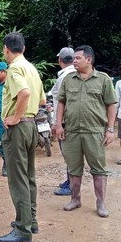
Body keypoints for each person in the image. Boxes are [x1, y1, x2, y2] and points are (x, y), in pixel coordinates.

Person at [55, 45, 117, 218]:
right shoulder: (69, 79)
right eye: (73, 58)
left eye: (78, 58)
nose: (74, 61)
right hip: (72, 131)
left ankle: (101, 203)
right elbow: (61, 102)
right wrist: (59, 125)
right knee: (74, 168)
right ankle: (75, 199)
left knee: (99, 169)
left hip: (94, 131)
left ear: (89, 60)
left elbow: (111, 104)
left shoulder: (103, 80)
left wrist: (110, 130)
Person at [0, 33, 46, 242]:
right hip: (31, 125)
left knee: (18, 180)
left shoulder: (15, 69)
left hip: (18, 128)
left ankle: (23, 229)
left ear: (6, 49)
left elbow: (24, 93)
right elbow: (42, 99)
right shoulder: (32, 69)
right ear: (24, 49)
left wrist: (15, 117)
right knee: (29, 176)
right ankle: (30, 220)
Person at [50, 47, 76, 196]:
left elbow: (59, 101)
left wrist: (56, 122)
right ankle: (69, 181)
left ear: (60, 60)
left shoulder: (64, 76)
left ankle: (71, 185)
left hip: (65, 121)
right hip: (72, 119)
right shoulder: (75, 74)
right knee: (69, 153)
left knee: (69, 154)